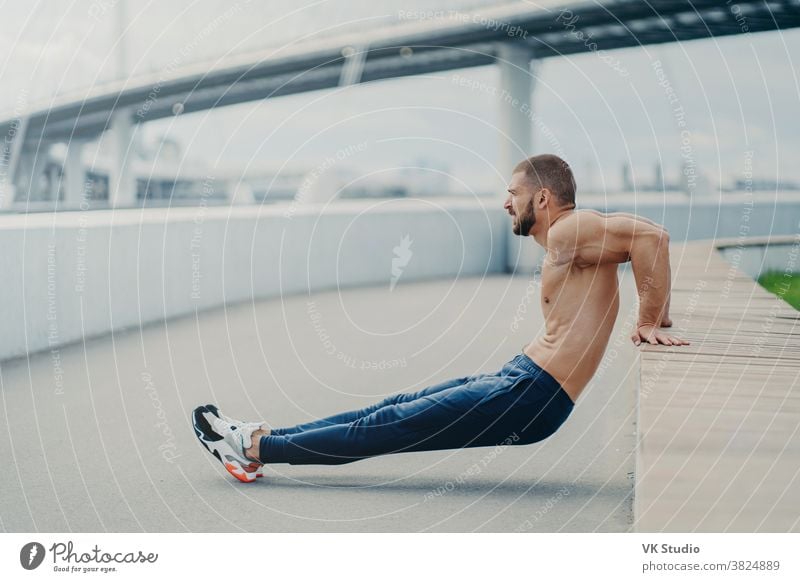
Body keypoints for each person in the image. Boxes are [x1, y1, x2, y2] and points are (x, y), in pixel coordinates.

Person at [191, 153, 689, 483]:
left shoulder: (570, 229)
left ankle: (253, 449)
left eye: (512, 192)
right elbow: (645, 243)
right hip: (522, 378)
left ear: (542, 197)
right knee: (396, 405)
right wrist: (659, 312)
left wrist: (648, 320)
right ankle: (264, 437)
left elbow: (653, 238)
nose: (504, 202)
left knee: (393, 423)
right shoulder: (581, 237)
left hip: (534, 395)